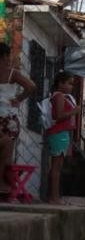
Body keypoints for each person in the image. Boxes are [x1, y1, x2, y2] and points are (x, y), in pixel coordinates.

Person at [0, 43, 35, 191]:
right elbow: (31, 86)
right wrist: (19, 99)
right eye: (9, 56)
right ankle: (3, 181)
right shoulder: (11, 73)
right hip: (7, 116)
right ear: (5, 56)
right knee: (6, 152)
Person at [45, 71, 80, 205]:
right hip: (58, 132)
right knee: (56, 166)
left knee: (58, 166)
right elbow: (58, 115)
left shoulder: (61, 96)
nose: (71, 87)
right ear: (60, 83)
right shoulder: (59, 96)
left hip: (62, 133)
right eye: (69, 84)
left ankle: (56, 196)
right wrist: (74, 112)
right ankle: (54, 197)